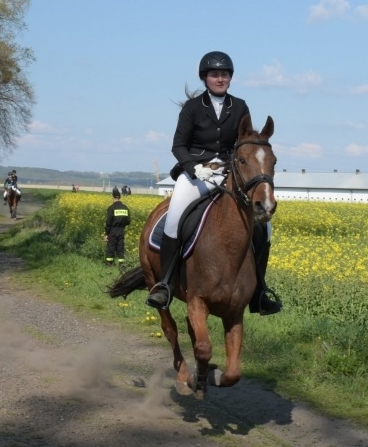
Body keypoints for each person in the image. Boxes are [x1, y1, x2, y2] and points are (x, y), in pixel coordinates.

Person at [145, 51, 282, 315]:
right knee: (173, 218)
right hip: (196, 171)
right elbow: (178, 146)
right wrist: (195, 168)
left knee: (265, 229)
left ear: (230, 78)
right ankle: (165, 284)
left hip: (229, 172)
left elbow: (243, 142)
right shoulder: (193, 108)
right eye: (215, 74)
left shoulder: (240, 106)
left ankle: (260, 292)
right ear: (205, 78)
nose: (220, 79)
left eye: (225, 75)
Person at [104, 187, 131, 267]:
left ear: (113, 197)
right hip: (121, 230)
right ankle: (121, 264)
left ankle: (109, 264)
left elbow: (108, 222)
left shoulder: (111, 208)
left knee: (111, 247)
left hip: (113, 230)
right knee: (120, 247)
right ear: (120, 197)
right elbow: (128, 221)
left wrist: (106, 233)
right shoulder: (125, 208)